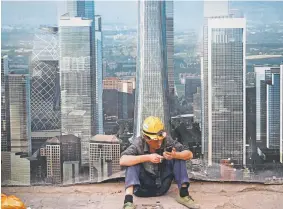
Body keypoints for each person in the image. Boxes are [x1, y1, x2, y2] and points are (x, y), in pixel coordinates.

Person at [120, 116, 200, 209]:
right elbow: (122, 160)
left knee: (180, 157)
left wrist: (174, 155)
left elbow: (189, 154)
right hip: (142, 188)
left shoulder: (167, 140)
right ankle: (128, 202)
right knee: (132, 162)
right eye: (155, 140)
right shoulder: (139, 143)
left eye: (160, 139)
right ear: (146, 138)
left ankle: (184, 194)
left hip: (162, 186)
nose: (159, 143)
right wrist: (147, 157)